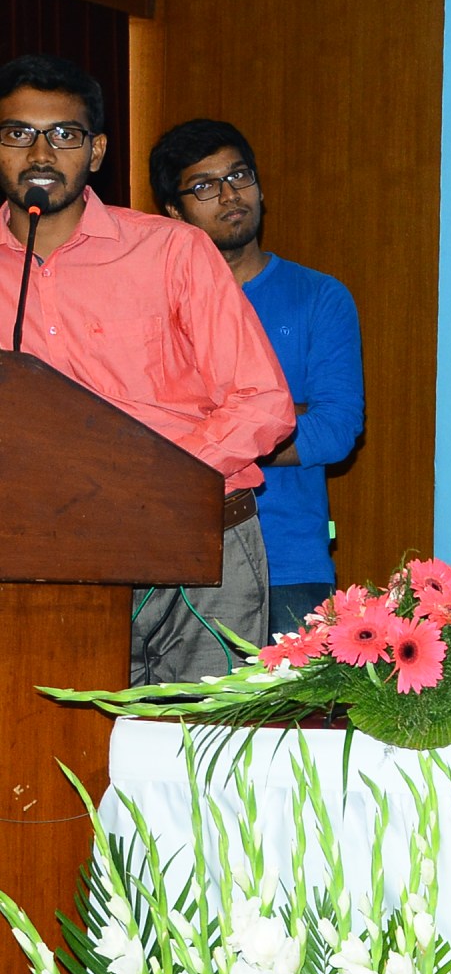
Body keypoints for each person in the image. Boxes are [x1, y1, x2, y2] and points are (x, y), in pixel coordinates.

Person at [0, 55, 293, 681]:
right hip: (43, 560)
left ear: (97, 151)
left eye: (65, 134)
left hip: (200, 549)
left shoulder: (172, 250)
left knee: (200, 740)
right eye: (19, 133)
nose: (42, 153)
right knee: (62, 739)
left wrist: (149, 482)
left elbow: (262, 401)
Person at [151, 119, 364, 638]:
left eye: (239, 175)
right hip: (171, 558)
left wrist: (210, 434)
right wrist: (266, 419)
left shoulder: (319, 296)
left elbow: (335, 430)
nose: (230, 195)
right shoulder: (151, 301)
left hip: (287, 564)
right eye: (204, 186)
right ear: (174, 212)